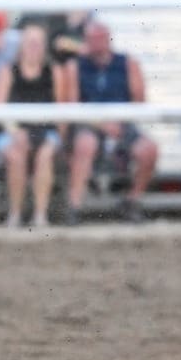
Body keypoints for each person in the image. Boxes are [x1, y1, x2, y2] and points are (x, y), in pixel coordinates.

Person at [67, 19, 158, 224]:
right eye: (92, 39)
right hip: (89, 123)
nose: (97, 43)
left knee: (149, 150)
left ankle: (132, 200)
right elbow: (73, 104)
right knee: (85, 144)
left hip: (122, 123)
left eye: (100, 38)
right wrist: (101, 123)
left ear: (109, 39)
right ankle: (75, 206)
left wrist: (119, 122)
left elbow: (139, 100)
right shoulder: (76, 66)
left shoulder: (127, 63)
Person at [0, 22, 70, 229]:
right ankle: (16, 213)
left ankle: (40, 214)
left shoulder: (54, 71)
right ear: (22, 45)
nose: (34, 47)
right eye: (30, 42)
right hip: (13, 131)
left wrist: (59, 139)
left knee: (45, 155)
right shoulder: (9, 71)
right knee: (16, 154)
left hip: (46, 130)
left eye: (38, 43)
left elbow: (61, 109)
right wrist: (15, 131)